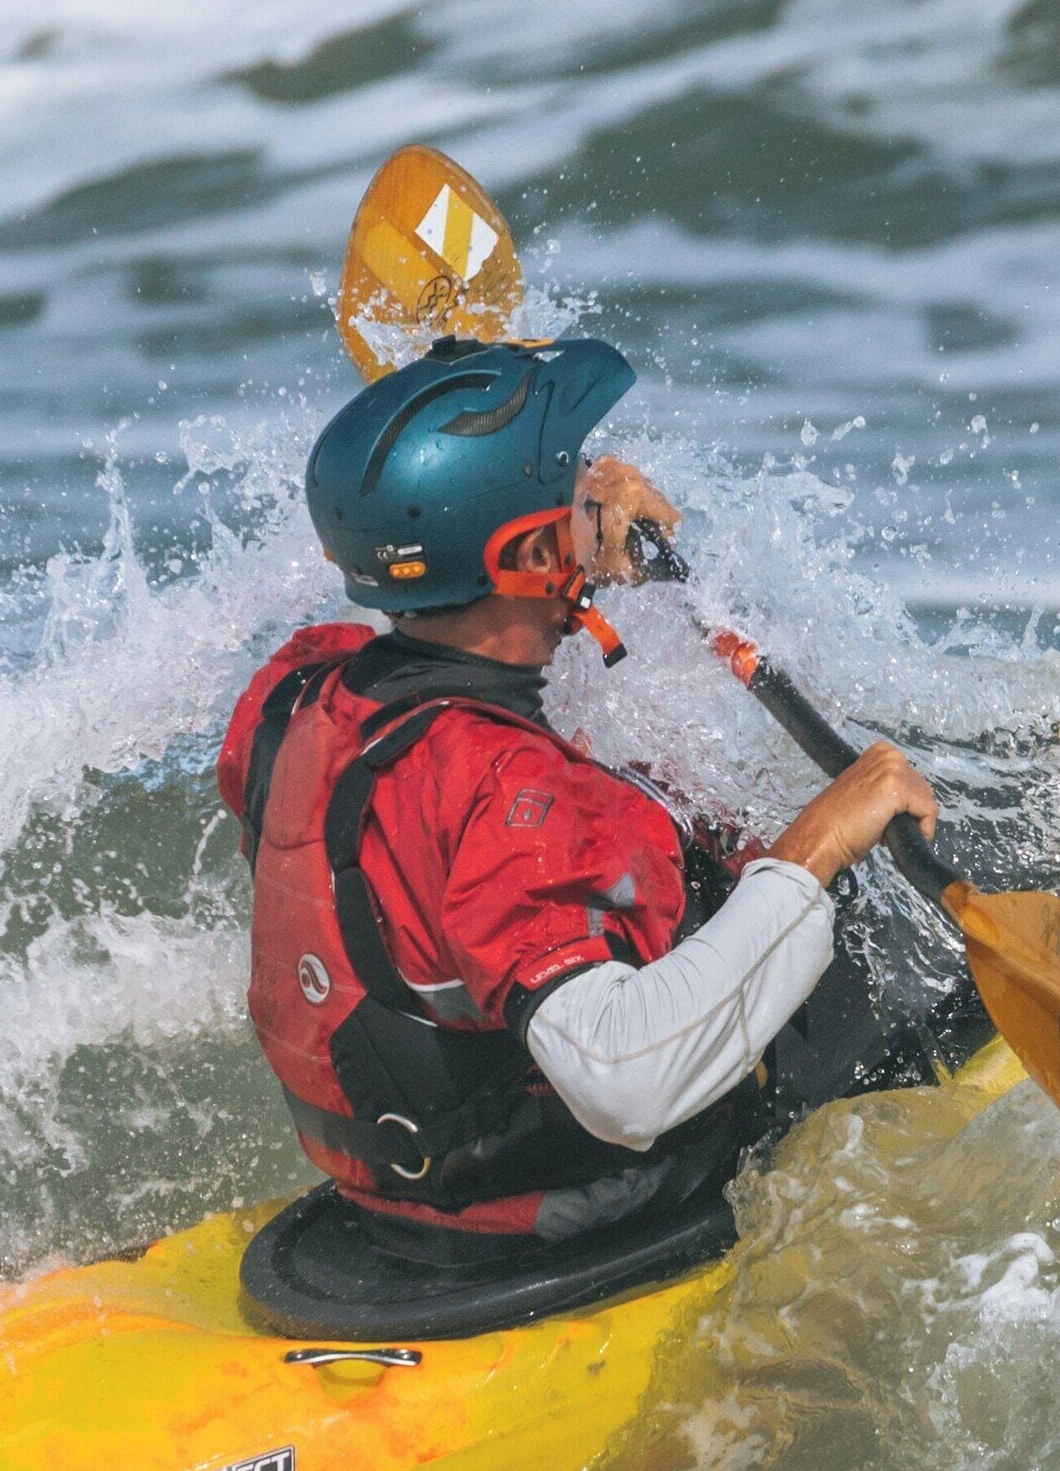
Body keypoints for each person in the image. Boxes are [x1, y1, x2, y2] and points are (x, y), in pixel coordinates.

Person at [217, 333, 936, 1257]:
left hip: (397, 1182)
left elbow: (411, 810)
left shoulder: (297, 688)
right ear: (522, 553)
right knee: (849, 930)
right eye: (575, 490)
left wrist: (578, 539)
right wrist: (818, 846)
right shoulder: (512, 793)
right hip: (565, 1205)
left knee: (676, 815)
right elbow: (622, 1083)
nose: (601, 487)